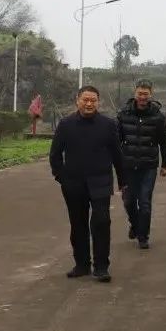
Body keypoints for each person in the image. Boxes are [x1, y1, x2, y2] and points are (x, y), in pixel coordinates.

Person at [49, 85, 125, 283]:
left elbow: (117, 154)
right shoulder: (66, 124)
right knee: (78, 224)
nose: (89, 104)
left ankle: (101, 267)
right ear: (78, 101)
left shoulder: (108, 125)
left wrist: (122, 180)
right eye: (85, 100)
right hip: (73, 183)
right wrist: (61, 177)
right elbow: (55, 154)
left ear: (98, 102)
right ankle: (82, 264)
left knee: (101, 222)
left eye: (93, 100)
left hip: (101, 181)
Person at [116, 79, 166, 250]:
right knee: (128, 201)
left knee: (145, 202)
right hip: (128, 165)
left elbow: (164, 141)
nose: (142, 97)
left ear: (151, 95)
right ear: (135, 93)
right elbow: (116, 140)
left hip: (148, 166)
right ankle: (135, 224)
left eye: (145, 94)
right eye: (140, 93)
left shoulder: (158, 116)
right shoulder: (123, 114)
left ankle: (143, 236)